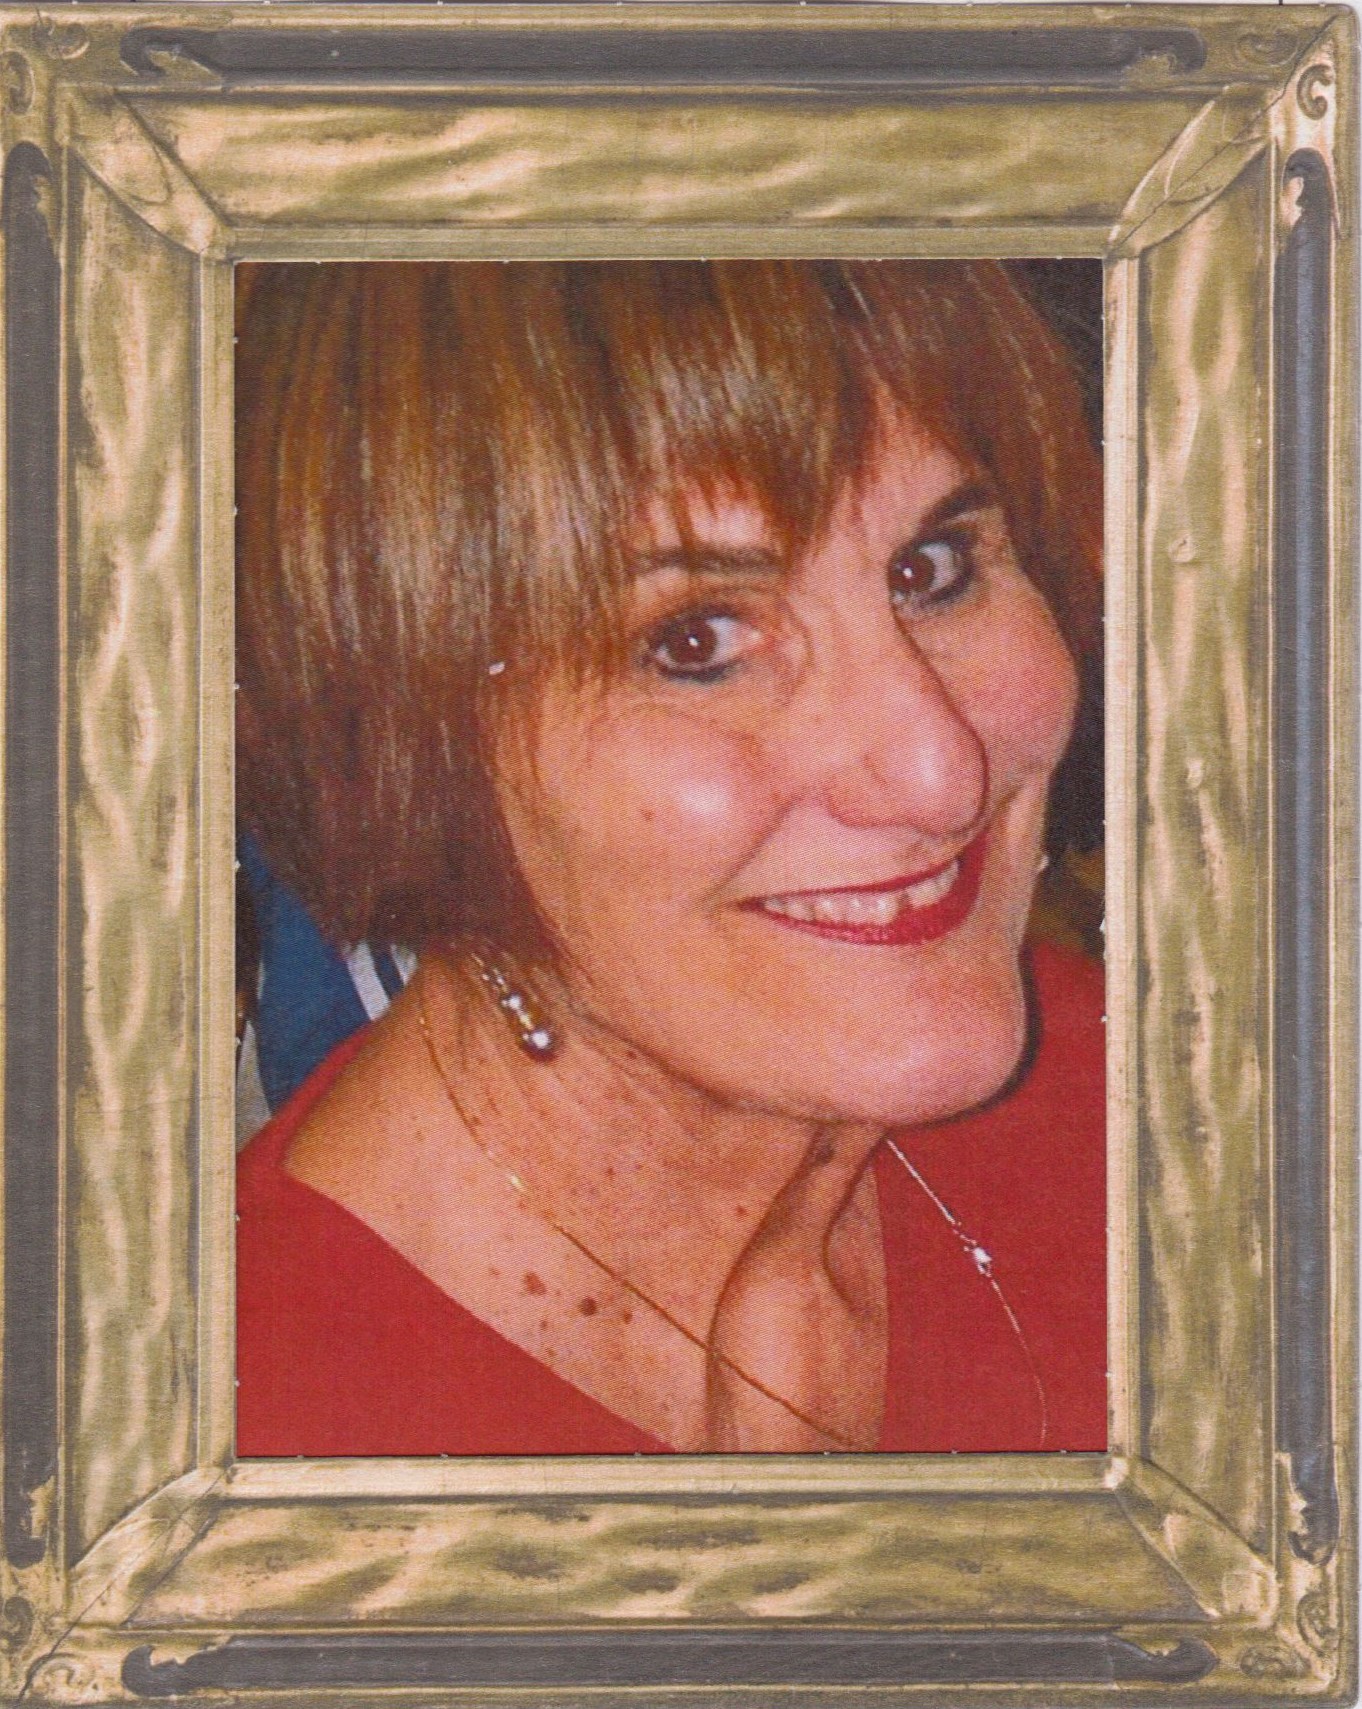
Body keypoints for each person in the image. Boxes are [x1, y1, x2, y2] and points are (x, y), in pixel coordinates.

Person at [235, 260, 1106, 1456]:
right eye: (698, 643)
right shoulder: (240, 1447)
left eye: (932, 570)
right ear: (397, 743)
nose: (938, 771)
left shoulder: (1159, 1115)